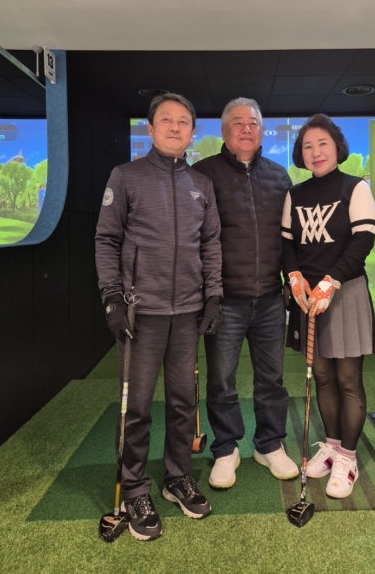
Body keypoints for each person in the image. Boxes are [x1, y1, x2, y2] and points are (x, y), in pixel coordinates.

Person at [95, 92, 223, 540]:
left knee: (183, 402)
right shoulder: (126, 176)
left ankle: (177, 476)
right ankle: (134, 488)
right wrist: (112, 299)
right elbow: (106, 240)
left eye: (183, 121)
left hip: (187, 312)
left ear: (192, 132)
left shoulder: (201, 184)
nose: (174, 127)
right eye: (165, 120)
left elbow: (210, 243)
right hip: (140, 313)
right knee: (137, 407)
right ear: (150, 129)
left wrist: (213, 296)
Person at [194, 97, 299, 489]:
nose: (246, 128)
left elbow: (290, 237)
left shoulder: (279, 176)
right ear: (224, 131)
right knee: (222, 381)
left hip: (271, 298)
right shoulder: (203, 174)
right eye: (238, 122)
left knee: (271, 379)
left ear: (261, 130)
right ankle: (226, 449)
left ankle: (269, 444)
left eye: (253, 122)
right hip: (225, 300)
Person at [281, 113, 375, 499]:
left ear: (337, 147)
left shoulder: (356, 187)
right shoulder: (295, 194)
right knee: (321, 376)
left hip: (344, 292)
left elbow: (363, 240)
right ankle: (334, 446)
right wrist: (293, 276)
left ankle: (348, 458)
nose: (315, 152)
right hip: (308, 297)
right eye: (307, 146)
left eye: (322, 144)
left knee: (348, 380)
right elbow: (287, 243)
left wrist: (331, 280)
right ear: (300, 154)